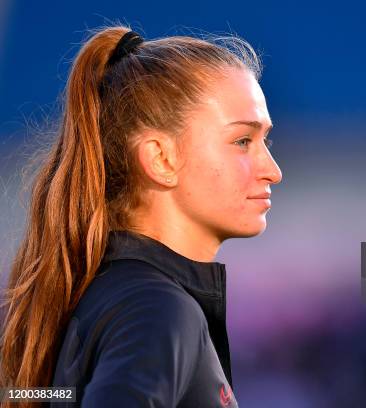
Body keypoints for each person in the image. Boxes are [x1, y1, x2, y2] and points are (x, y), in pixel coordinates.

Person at [0, 25, 282, 407]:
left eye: (265, 140)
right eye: (242, 141)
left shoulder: (106, 295)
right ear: (160, 158)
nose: (272, 170)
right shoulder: (159, 310)